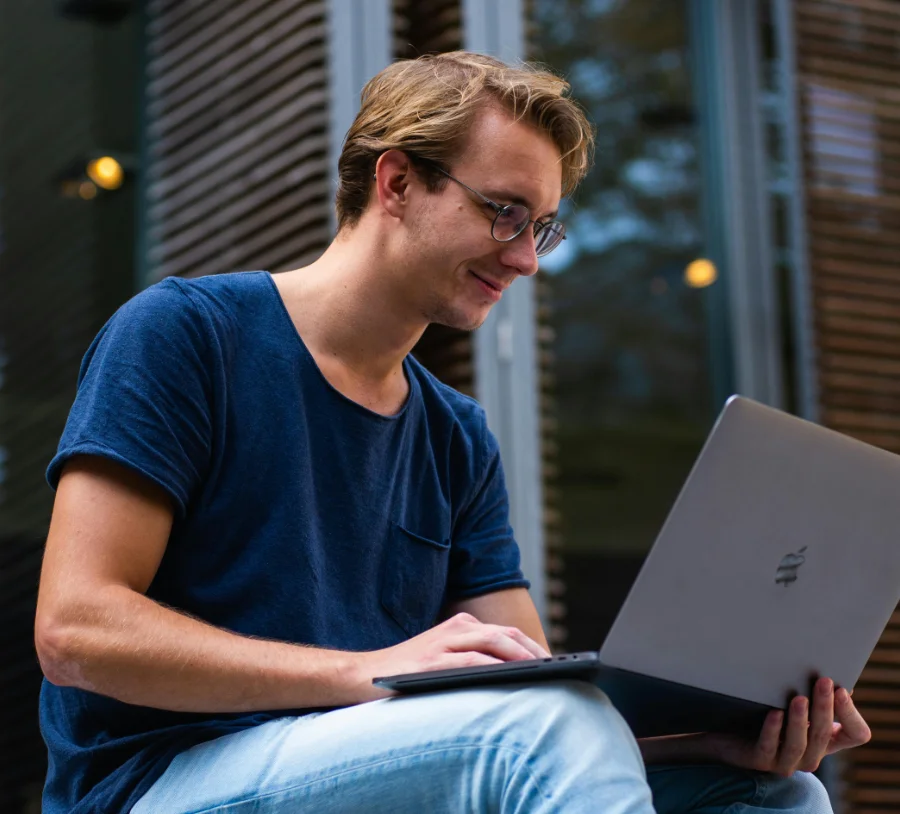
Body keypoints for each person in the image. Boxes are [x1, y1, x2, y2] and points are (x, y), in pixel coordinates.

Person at [35, 51, 868, 814]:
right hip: (158, 782)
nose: (527, 259)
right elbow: (76, 632)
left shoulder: (455, 435)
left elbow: (539, 693)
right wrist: (361, 674)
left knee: (776, 795)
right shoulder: (187, 335)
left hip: (366, 767)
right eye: (505, 213)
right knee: (545, 728)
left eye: (541, 226)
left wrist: (706, 740)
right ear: (396, 183)